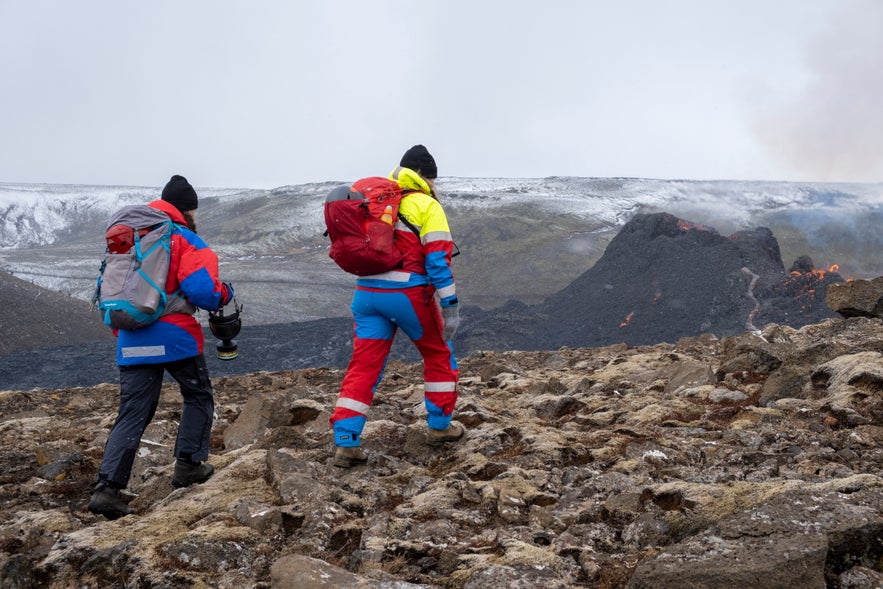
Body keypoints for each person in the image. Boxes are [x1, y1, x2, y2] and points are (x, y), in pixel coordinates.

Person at [88, 174, 235, 519]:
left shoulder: (127, 239)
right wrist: (224, 293)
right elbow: (202, 291)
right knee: (198, 395)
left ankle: (107, 488)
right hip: (176, 337)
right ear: (189, 210)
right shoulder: (183, 238)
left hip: (131, 336)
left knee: (133, 411)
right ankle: (189, 465)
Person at [329, 145, 463, 468]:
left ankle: (346, 441)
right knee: (438, 354)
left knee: (364, 366)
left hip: (367, 293)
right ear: (428, 178)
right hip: (407, 295)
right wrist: (450, 305)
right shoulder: (426, 205)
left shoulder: (375, 200)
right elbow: (438, 262)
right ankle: (440, 427)